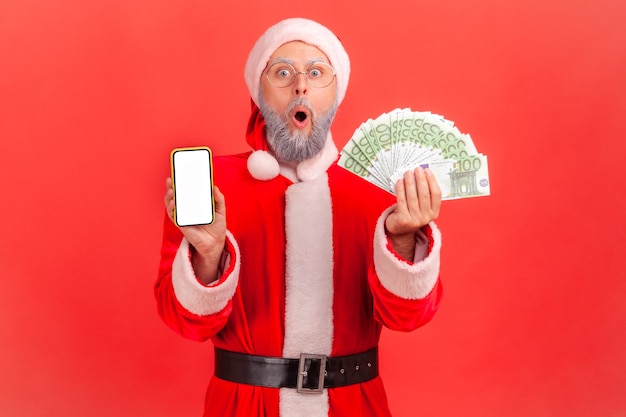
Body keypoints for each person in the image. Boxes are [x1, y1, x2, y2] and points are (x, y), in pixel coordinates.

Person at [156, 17, 443, 417]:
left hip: (353, 406)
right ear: (258, 93)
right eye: (283, 72)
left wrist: (405, 240)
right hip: (244, 407)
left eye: (316, 72)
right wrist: (207, 253)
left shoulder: (378, 190)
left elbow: (408, 317)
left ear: (336, 93)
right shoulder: (212, 188)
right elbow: (185, 321)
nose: (301, 85)